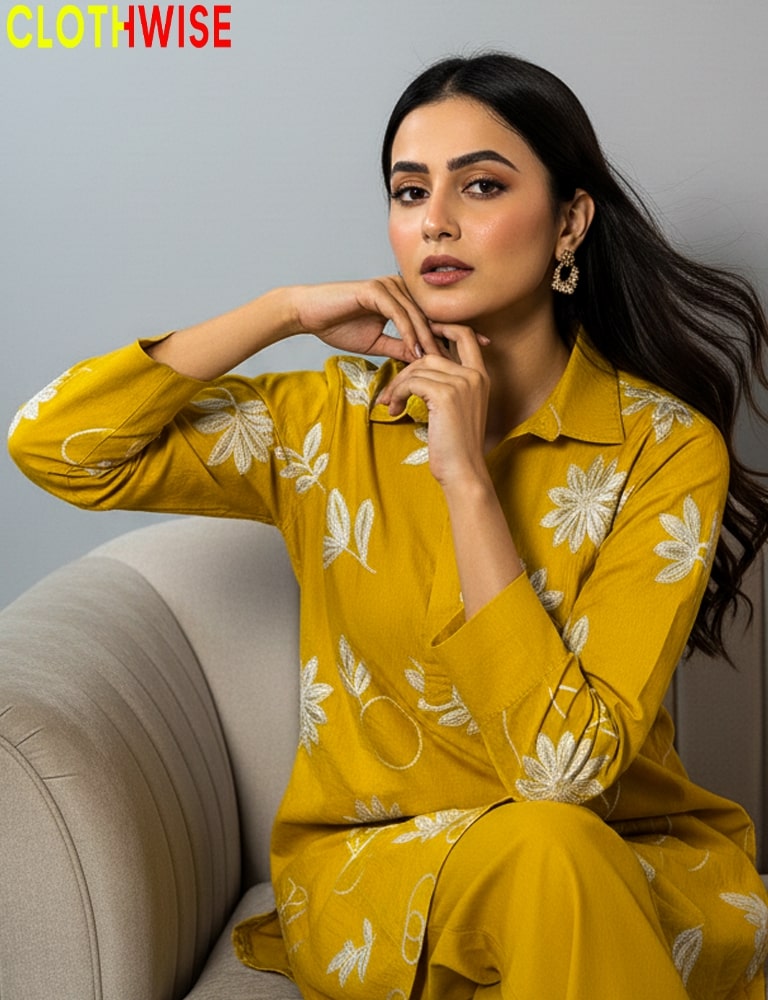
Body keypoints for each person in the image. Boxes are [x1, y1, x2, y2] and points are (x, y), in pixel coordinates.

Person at [9, 51, 768, 1000]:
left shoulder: (661, 450)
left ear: (571, 220)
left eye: (480, 185)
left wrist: (465, 480)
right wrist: (281, 312)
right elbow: (56, 444)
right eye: (409, 193)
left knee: (552, 847)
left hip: (622, 864)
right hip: (387, 876)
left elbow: (563, 776)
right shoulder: (325, 425)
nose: (435, 222)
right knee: (544, 853)